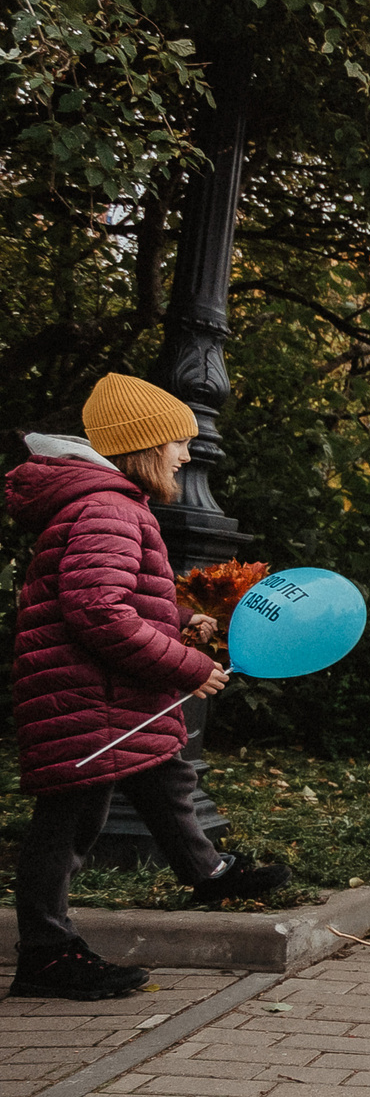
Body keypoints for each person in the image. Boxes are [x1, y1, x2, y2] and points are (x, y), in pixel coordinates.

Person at [9, 377, 289, 1001]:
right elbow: (98, 613)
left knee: (164, 772)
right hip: (85, 694)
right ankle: (46, 955)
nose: (187, 457)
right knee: (69, 821)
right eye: (178, 444)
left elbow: (104, 597)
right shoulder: (109, 507)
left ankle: (207, 871)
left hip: (105, 691)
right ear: (143, 447)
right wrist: (187, 666)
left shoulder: (110, 503)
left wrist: (180, 619)